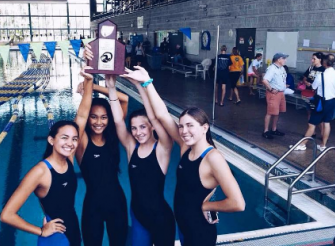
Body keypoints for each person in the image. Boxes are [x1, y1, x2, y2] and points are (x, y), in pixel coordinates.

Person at [121, 65, 245, 246]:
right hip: (184, 226)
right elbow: (161, 115)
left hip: (199, 231)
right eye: (181, 126)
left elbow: (238, 203)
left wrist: (206, 206)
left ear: (204, 128)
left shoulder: (212, 158)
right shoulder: (186, 147)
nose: (184, 131)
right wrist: (146, 83)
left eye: (190, 125)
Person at [106, 74, 176, 246]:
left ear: (151, 127)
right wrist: (111, 87)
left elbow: (154, 117)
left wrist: (139, 86)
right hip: (137, 216)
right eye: (134, 128)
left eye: (143, 127)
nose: (138, 132)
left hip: (161, 219)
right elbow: (118, 121)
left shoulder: (162, 148)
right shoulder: (132, 147)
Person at [74, 48, 129, 246]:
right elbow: (81, 113)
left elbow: (124, 100)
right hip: (93, 206)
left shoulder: (113, 136)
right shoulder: (81, 142)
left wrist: (97, 88)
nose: (99, 122)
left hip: (117, 203)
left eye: (104, 117)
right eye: (94, 117)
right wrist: (89, 82)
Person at [0, 120, 82, 246]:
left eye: (74, 139)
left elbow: (82, 116)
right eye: (64, 138)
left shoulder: (68, 160)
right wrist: (41, 231)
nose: (70, 143)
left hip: (73, 233)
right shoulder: (40, 172)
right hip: (55, 239)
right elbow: (6, 215)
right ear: (51, 140)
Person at [292, 54, 335, 151]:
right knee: (327, 123)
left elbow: (313, 87)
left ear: (324, 62)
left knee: (312, 124)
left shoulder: (321, 75)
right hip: (332, 101)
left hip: (321, 101)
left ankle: (302, 145)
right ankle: (323, 145)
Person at [262, 53, 288, 139]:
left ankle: (274, 129)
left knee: (277, 112)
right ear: (278, 59)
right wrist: (271, 89)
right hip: (274, 94)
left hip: (280, 93)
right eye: (283, 58)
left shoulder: (282, 68)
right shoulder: (272, 68)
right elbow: (265, 80)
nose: (285, 60)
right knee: (270, 112)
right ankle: (266, 131)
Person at [301, 52, 326, 138]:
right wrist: (306, 82)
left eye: (314, 59)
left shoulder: (324, 70)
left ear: (320, 59)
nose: (312, 60)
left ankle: (323, 133)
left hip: (317, 94)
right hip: (308, 93)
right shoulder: (311, 68)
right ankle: (312, 132)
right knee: (309, 112)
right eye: (312, 58)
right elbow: (304, 77)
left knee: (318, 114)